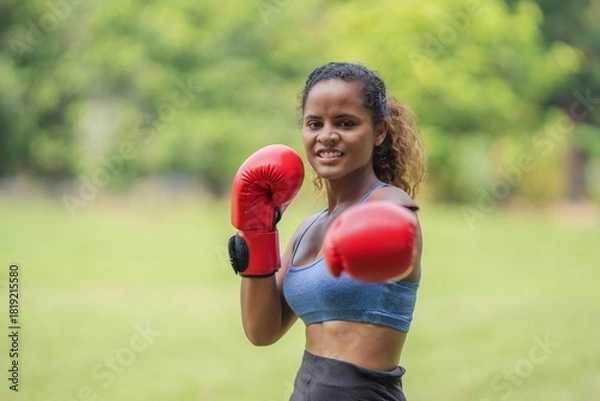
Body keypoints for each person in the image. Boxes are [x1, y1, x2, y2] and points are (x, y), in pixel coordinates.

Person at [228, 61, 426, 401]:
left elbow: (401, 234)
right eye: (314, 123)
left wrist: (380, 242)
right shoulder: (307, 228)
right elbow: (261, 330)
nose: (327, 135)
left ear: (379, 131)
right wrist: (256, 232)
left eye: (346, 123)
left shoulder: (390, 205)